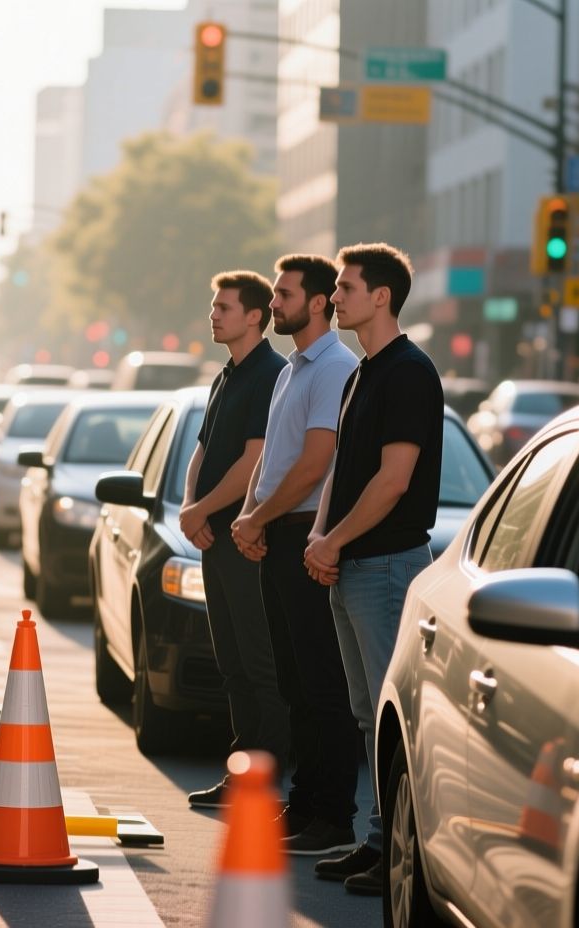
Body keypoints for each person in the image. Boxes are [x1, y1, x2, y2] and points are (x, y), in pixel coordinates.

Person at [303, 243, 441, 894]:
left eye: (347, 287)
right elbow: (345, 470)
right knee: (367, 712)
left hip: (387, 567)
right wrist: (321, 535)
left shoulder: (410, 373)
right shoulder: (362, 373)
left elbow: (393, 482)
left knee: (393, 718)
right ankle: (378, 837)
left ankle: (400, 850)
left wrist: (335, 543)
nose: (336, 297)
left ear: (381, 296)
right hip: (353, 563)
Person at [228, 254, 361, 856]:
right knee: (291, 679)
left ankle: (332, 814)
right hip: (276, 532)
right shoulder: (292, 370)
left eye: (283, 295)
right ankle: (304, 803)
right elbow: (273, 458)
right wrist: (249, 516)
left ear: (316, 303)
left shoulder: (335, 367)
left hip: (306, 533)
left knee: (320, 682)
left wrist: (259, 515)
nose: (275, 303)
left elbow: (314, 464)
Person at [180, 270, 289, 808]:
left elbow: (254, 461)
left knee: (259, 662)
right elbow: (203, 450)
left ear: (254, 315)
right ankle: (241, 773)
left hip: (250, 541)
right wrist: (188, 509)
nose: (214, 314)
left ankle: (265, 781)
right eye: (213, 306)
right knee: (231, 665)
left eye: (224, 307)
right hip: (214, 539)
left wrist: (203, 509)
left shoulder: (271, 373)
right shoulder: (226, 374)